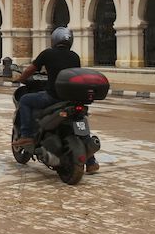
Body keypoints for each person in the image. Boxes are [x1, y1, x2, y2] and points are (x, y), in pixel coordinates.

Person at [12, 27, 99, 173]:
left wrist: (21, 78)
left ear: (54, 40)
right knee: (79, 123)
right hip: (72, 99)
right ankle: (91, 162)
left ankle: (27, 135)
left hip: (52, 98)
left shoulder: (47, 54)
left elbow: (30, 70)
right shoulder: (74, 56)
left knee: (26, 100)